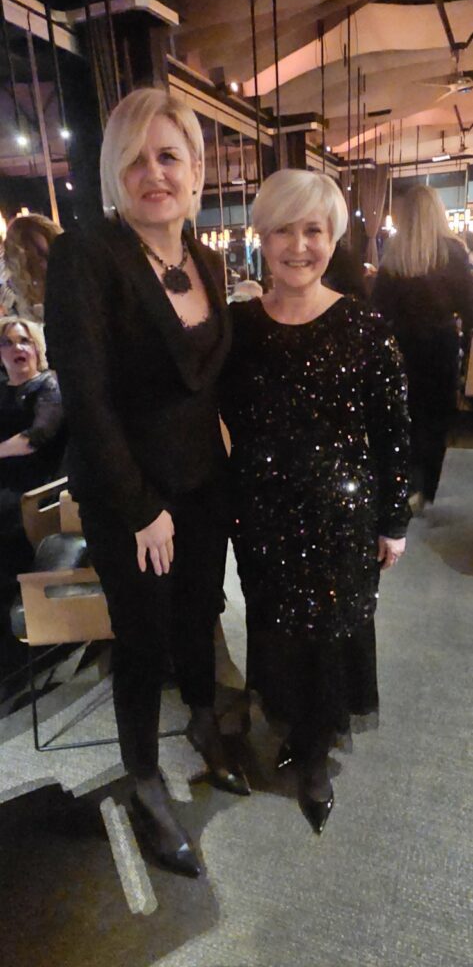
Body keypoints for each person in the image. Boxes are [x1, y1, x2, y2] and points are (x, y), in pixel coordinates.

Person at [45, 86, 249, 880]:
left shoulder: (206, 260)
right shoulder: (87, 256)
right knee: (139, 640)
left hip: (204, 482)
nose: (153, 173)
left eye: (168, 156)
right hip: (128, 494)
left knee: (199, 614)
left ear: (195, 169)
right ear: (113, 173)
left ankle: (201, 721)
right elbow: (87, 395)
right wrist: (139, 508)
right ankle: (142, 779)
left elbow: (208, 384)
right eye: (135, 160)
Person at [221, 168, 411, 835]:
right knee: (274, 625)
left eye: (313, 230)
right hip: (261, 515)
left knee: (331, 633)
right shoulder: (238, 328)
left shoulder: (363, 325)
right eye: (283, 230)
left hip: (341, 518)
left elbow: (394, 431)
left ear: (332, 238)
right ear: (261, 236)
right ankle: (290, 727)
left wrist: (394, 520)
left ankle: (316, 752)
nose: (298, 246)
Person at [372, 185, 473, 512]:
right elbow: (468, 306)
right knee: (437, 418)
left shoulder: (394, 253)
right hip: (441, 345)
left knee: (406, 417)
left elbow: (378, 310)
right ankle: (427, 487)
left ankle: (406, 485)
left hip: (402, 346)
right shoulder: (453, 252)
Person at [0, 317, 65, 676]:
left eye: (23, 341)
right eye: (7, 343)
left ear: (36, 346)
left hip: (33, 492)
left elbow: (36, 438)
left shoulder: (48, 386)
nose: (16, 349)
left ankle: (14, 658)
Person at [4, 213, 63, 322]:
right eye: (35, 259)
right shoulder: (13, 299)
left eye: (47, 255)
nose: (45, 264)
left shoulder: (73, 285)